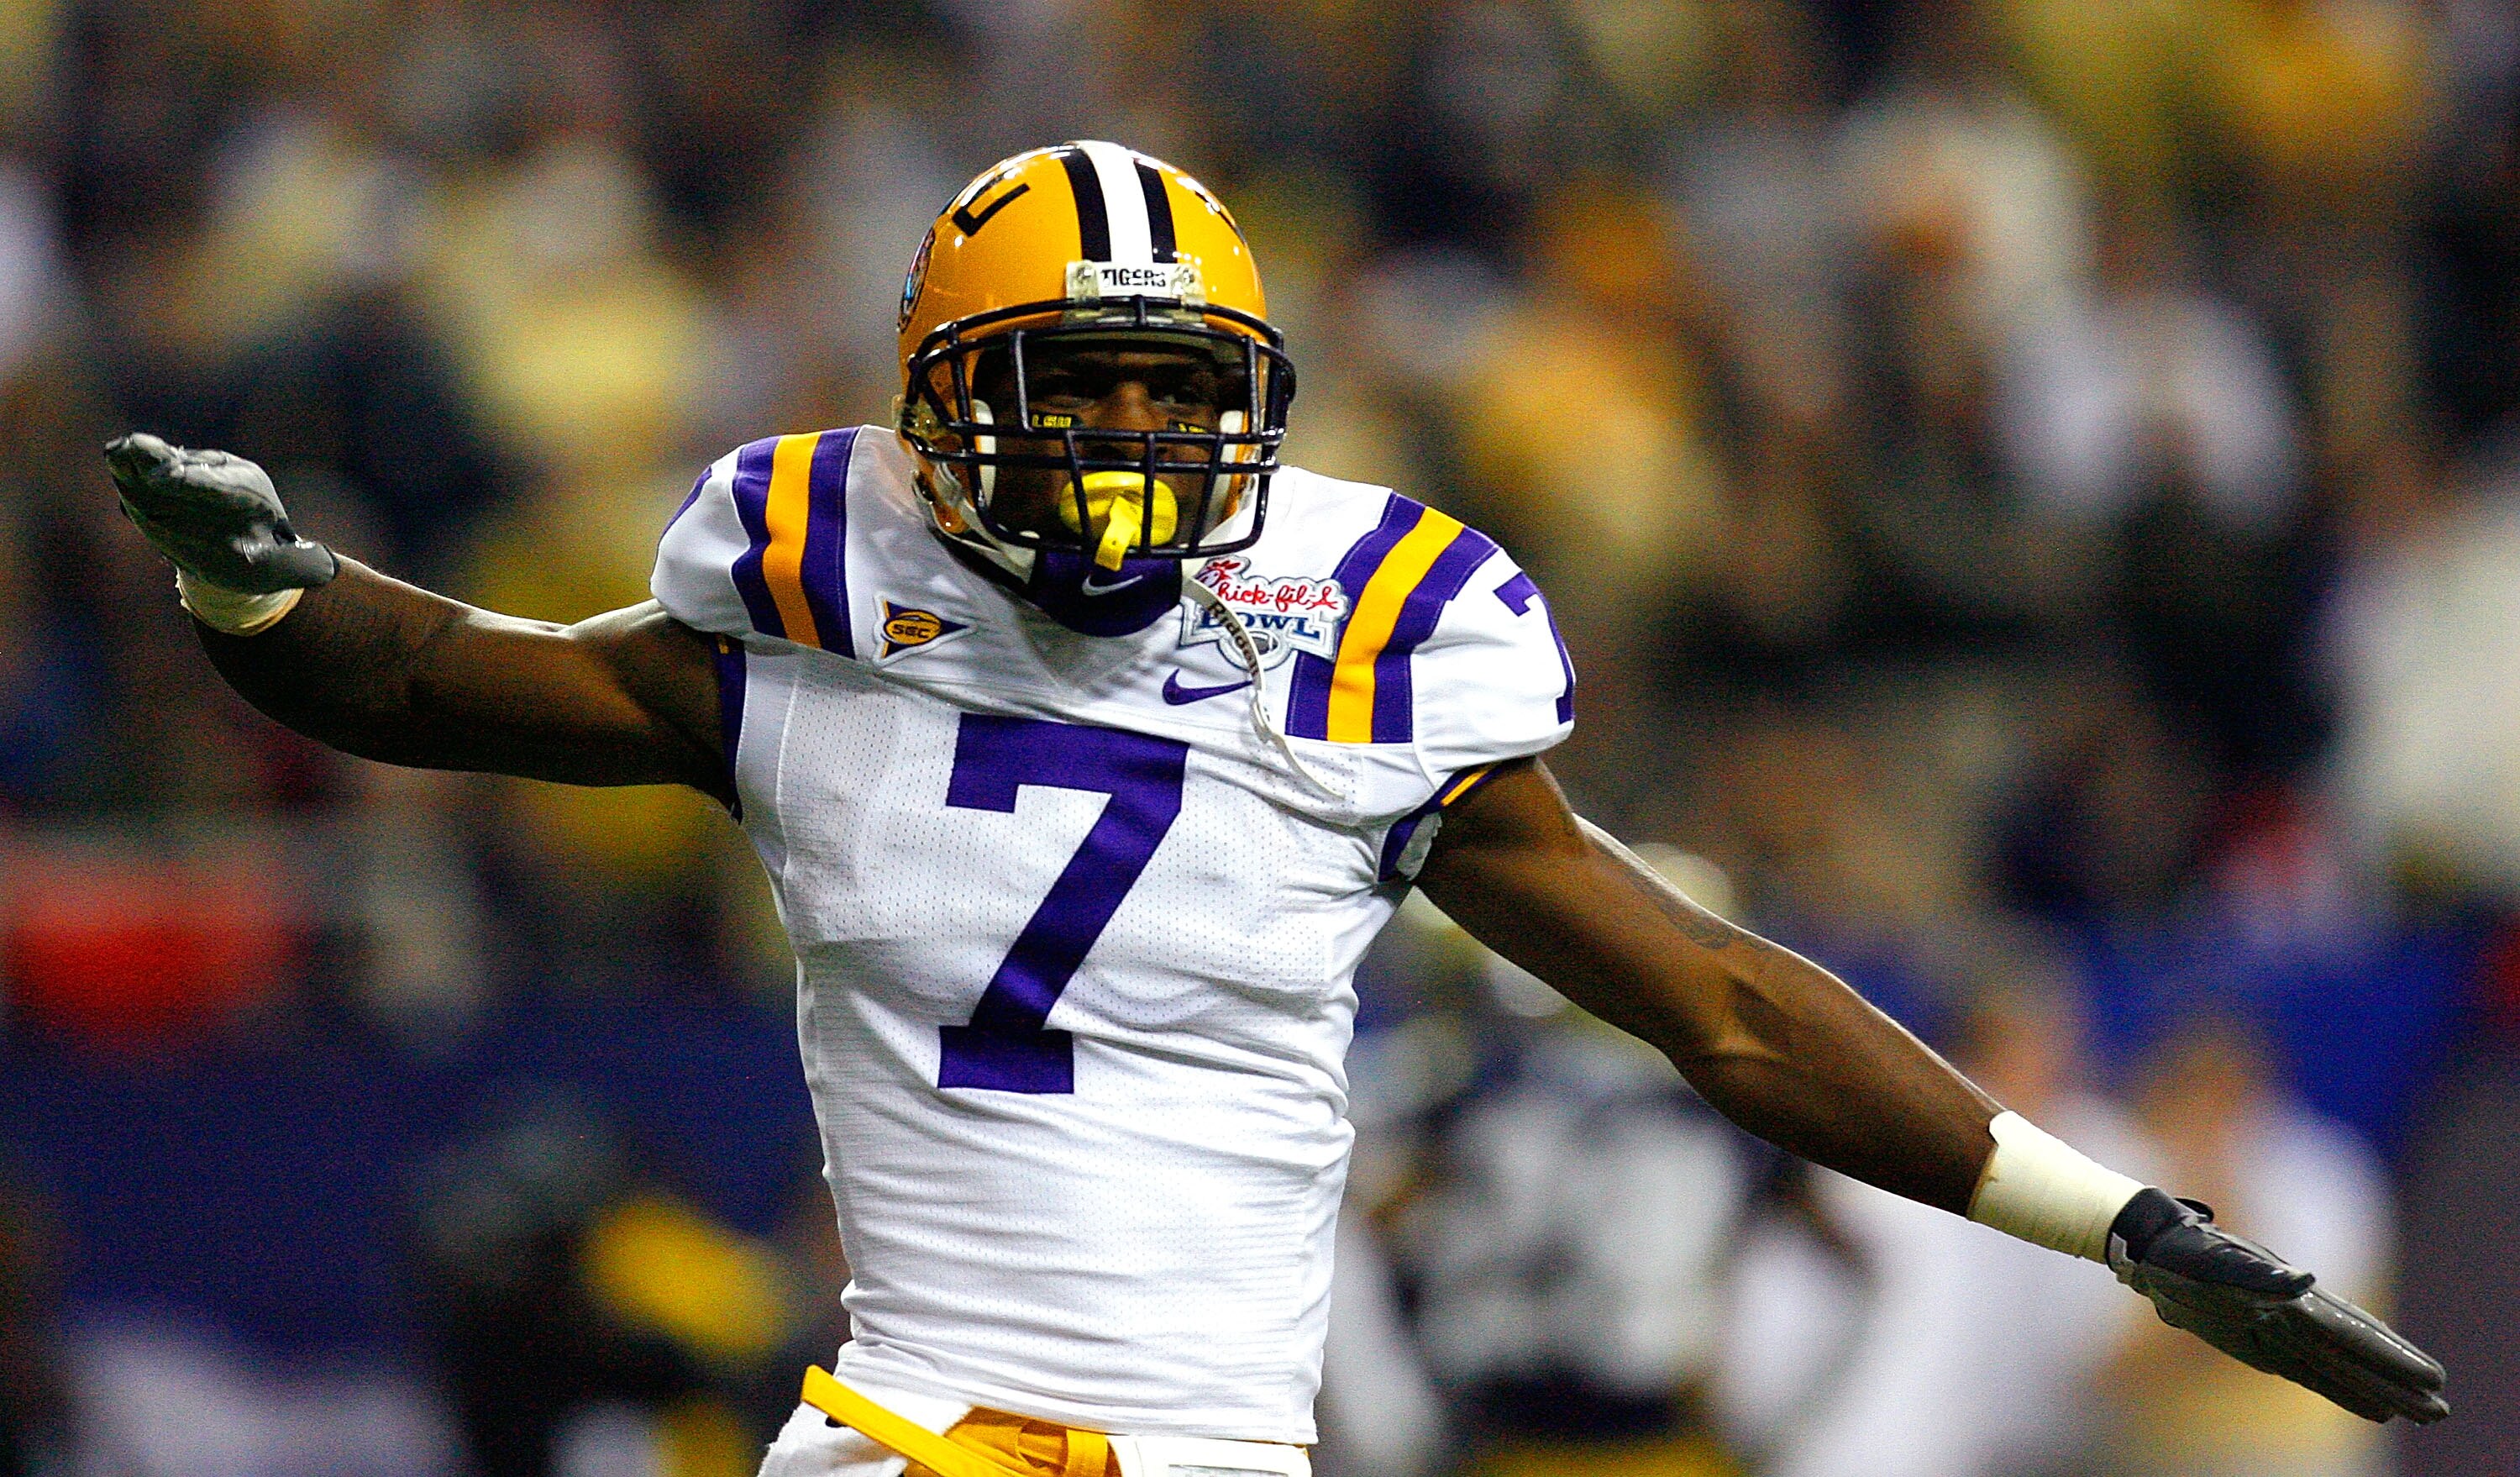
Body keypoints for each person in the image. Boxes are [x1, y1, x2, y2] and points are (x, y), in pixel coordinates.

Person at [101, 142, 2446, 1477]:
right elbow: (428, 680)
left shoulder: (1359, 653)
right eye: (1077, 388)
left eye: (1168, 390)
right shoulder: (805, 646)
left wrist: (2125, 1221)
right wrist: (250, 581)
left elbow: (1725, 1004)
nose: (1128, 439)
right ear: (940, 412)